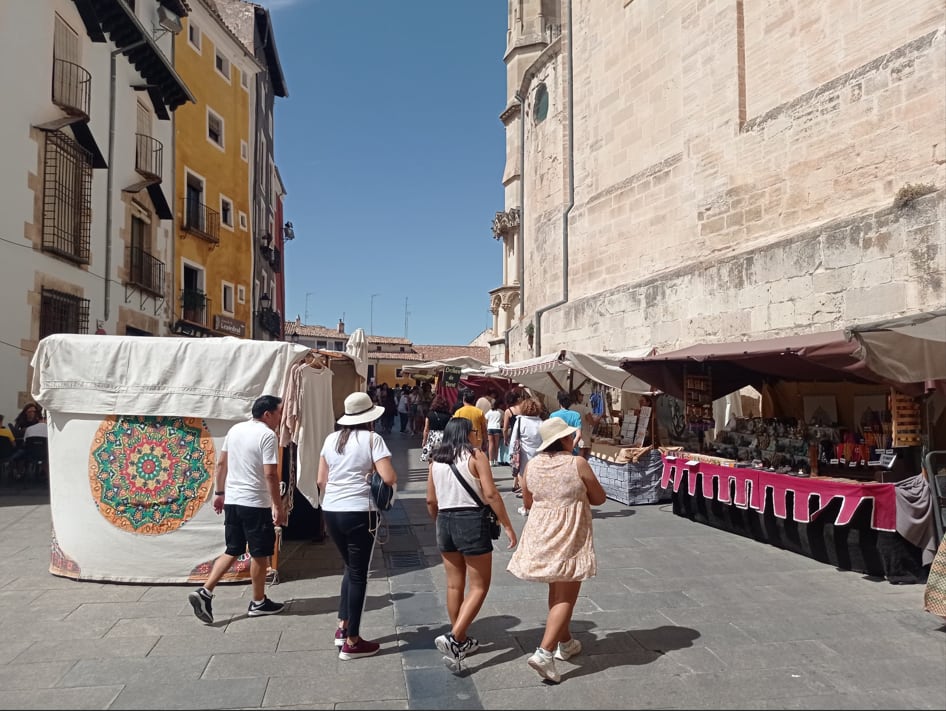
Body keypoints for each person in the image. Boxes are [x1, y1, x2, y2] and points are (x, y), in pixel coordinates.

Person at [507, 417, 606, 683]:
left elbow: (527, 500)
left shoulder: (533, 465)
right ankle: (544, 652)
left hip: (542, 532)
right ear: (562, 440)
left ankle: (566, 642)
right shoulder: (577, 463)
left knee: (556, 589)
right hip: (570, 534)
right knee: (567, 595)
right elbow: (599, 498)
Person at [426, 417, 517, 671]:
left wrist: (439, 522)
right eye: (475, 432)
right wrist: (507, 525)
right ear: (468, 433)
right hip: (470, 520)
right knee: (479, 586)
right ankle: (455, 638)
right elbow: (490, 494)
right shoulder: (475, 455)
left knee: (454, 585)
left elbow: (430, 501)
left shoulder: (436, 460)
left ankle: (460, 638)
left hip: (444, 521)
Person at [188, 395, 286, 624]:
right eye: (279, 412)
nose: (281, 418)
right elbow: (270, 474)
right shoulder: (267, 435)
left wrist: (220, 493)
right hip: (255, 503)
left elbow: (221, 463)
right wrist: (277, 505)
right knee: (261, 554)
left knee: (233, 548)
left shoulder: (235, 430)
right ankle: (258, 601)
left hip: (233, 500)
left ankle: (206, 590)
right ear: (267, 414)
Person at [318, 391, 398, 660]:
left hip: (331, 508)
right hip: (359, 511)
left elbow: (321, 480)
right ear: (369, 417)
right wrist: (370, 474)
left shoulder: (331, 439)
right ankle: (353, 640)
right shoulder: (372, 439)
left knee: (350, 568)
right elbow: (388, 476)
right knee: (358, 574)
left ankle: (342, 626)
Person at [509, 397, 544, 496]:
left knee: (523, 476)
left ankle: (525, 503)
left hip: (523, 454)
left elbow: (514, 439)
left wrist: (512, 453)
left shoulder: (520, 421)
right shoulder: (541, 422)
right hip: (539, 454)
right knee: (536, 477)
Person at [452, 388, 488, 452]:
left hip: (462, 441)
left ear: (463, 399)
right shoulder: (479, 412)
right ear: (474, 400)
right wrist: (485, 443)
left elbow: (455, 428)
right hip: (476, 441)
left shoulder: (458, 412)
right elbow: (484, 430)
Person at [421, 394, 452, 463]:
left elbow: (426, 429)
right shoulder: (448, 416)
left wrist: (424, 440)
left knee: (431, 459)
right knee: (443, 458)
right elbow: (451, 428)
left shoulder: (430, 414)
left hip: (432, 437)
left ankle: (431, 472)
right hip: (444, 437)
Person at [485, 399, 503, 466]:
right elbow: (501, 421)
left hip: (490, 428)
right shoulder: (499, 413)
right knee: (496, 445)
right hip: (497, 428)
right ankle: (496, 460)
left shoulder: (488, 412)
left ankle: (490, 460)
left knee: (491, 444)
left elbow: (486, 420)